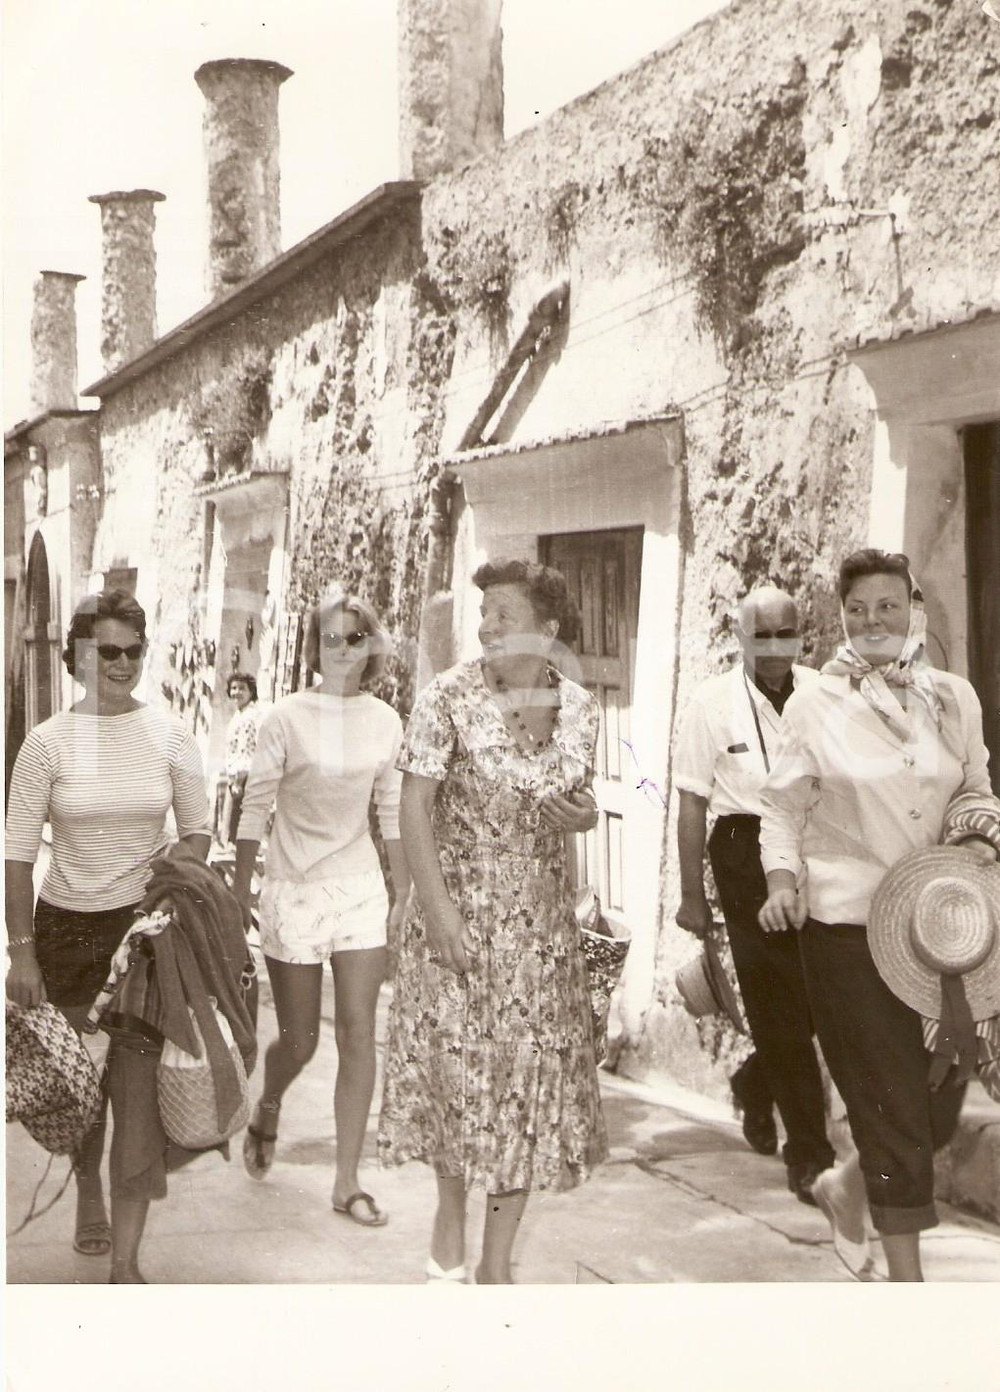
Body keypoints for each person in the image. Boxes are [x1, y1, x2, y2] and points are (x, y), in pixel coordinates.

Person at [759, 549, 997, 1281]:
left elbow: (976, 787)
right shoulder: (812, 703)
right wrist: (781, 880)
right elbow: (780, 804)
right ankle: (909, 1288)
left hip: (938, 930)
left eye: (887, 606)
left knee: (937, 1098)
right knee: (894, 1103)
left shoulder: (953, 697)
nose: (872, 623)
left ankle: (847, 1184)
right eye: (857, 610)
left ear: (914, 607)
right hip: (846, 929)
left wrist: (978, 837)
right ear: (841, 617)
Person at [377, 559, 606, 1284]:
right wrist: (435, 910)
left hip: (540, 934)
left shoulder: (580, 707)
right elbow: (414, 806)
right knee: (458, 1076)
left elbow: (576, 799)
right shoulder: (446, 698)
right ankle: (449, 1217)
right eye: (485, 614)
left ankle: (496, 1263)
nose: (487, 626)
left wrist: (585, 813)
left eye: (505, 614)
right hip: (459, 918)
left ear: (548, 630)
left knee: (527, 1086)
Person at [5, 588, 212, 1282]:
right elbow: (16, 854)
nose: (122, 663)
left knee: (136, 1094)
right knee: (78, 1087)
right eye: (107, 651)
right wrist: (20, 953)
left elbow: (198, 827)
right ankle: (85, 1187)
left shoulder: (169, 735)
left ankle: (126, 1259)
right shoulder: (47, 742)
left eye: (133, 650)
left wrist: (176, 878)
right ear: (78, 657)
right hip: (64, 931)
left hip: (144, 935)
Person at [234, 590, 409, 1227]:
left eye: (354, 639)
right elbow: (255, 807)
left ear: (372, 647)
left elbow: (392, 810)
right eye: (330, 640)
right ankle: (270, 1103)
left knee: (360, 1033)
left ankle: (347, 1181)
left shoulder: (386, 721)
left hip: (360, 886)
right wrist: (238, 894)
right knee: (302, 1039)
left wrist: (403, 894)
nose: (341, 651)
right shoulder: (284, 717)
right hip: (293, 888)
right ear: (315, 647)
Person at [674, 585, 835, 1201]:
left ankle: (754, 1080)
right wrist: (693, 895)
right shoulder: (710, 703)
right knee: (777, 1005)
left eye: (785, 634)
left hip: (814, 844)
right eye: (760, 635)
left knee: (821, 997)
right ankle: (810, 1155)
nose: (774, 648)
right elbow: (691, 800)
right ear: (738, 637)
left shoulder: (824, 693)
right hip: (743, 853)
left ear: (803, 636)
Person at [218, 672, 262, 846]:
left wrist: (239, 780)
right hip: (236, 775)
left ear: (251, 691)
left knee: (238, 823)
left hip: (244, 776)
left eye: (242, 688)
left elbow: (247, 749)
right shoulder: (240, 714)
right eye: (233, 688)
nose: (236, 692)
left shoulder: (251, 716)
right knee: (233, 822)